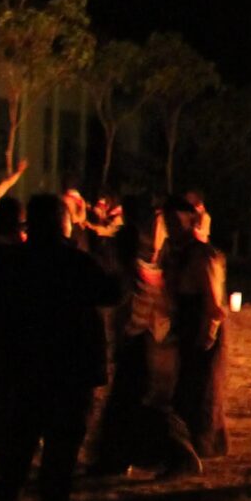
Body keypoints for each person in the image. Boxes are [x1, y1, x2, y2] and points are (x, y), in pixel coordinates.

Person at [0, 193, 122, 501]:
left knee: (21, 431)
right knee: (64, 435)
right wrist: (112, 266)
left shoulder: (9, 261)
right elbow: (110, 292)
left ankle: (8, 495)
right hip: (69, 364)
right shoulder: (76, 262)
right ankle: (53, 499)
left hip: (24, 360)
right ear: (62, 222)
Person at [90, 197, 198, 477]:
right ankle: (113, 459)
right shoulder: (144, 272)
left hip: (140, 347)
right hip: (147, 345)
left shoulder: (131, 276)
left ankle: (180, 457)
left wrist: (126, 340)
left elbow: (133, 312)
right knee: (124, 408)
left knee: (142, 408)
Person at [168, 196, 229, 460]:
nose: (171, 227)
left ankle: (202, 442)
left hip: (201, 324)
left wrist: (208, 333)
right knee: (187, 384)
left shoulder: (203, 254)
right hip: (187, 322)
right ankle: (189, 440)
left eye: (175, 221)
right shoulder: (179, 253)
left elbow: (213, 301)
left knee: (202, 386)